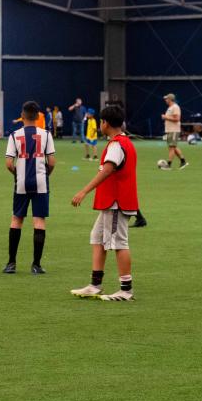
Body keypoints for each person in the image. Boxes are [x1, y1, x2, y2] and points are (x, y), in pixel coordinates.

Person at [70, 104, 138, 302]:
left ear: (105, 123)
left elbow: (107, 170)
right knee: (97, 238)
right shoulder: (123, 142)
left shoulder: (117, 145)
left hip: (116, 202)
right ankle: (95, 284)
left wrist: (84, 191)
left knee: (119, 243)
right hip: (111, 202)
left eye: (101, 121)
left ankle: (126, 289)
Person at [3, 101, 56, 275]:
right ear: (39, 116)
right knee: (39, 221)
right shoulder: (46, 135)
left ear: (22, 116)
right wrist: (45, 173)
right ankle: (36, 265)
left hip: (22, 183)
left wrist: (17, 175)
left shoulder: (14, 135)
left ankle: (11, 263)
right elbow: (52, 162)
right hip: (41, 182)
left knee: (17, 219)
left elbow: (9, 163)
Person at [161, 93, 188, 169]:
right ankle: (183, 161)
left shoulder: (175, 107)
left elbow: (177, 119)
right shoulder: (170, 108)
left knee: (171, 148)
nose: (165, 100)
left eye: (166, 99)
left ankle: (168, 165)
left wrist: (165, 117)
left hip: (173, 130)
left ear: (170, 99)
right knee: (173, 147)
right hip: (170, 130)